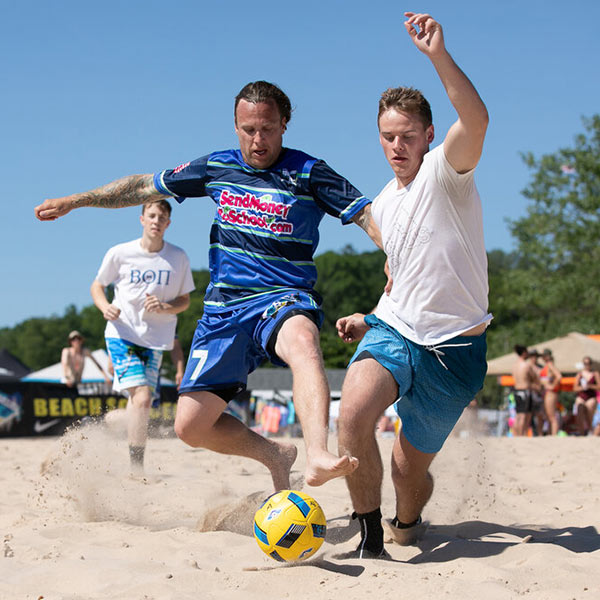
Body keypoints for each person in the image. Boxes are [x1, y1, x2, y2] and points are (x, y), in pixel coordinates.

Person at [35, 80, 381, 490]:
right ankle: (275, 453)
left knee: (304, 342)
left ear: (285, 124)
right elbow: (144, 185)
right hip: (224, 310)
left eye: (268, 128)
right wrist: (78, 200)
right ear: (235, 127)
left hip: (283, 298)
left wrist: (393, 252)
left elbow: (367, 214)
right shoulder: (217, 167)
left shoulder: (308, 171)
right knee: (191, 427)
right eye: (248, 129)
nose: (258, 139)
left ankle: (318, 453)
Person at [335, 12, 491, 558]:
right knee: (351, 414)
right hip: (397, 331)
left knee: (407, 471)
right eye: (387, 137)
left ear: (427, 135)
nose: (396, 146)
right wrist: (370, 315)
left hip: (455, 351)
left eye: (406, 136)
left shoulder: (446, 174)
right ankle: (370, 531)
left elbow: (475, 119)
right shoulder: (384, 203)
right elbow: (400, 274)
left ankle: (406, 521)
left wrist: (437, 56)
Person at [90, 200, 195, 472]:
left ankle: (103, 425)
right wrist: (105, 307)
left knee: (138, 406)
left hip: (156, 340)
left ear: (168, 224)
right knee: (144, 398)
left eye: (162, 217)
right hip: (122, 333)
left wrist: (165, 307)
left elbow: (184, 301)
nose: (156, 221)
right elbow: (97, 286)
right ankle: (136, 469)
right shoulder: (120, 253)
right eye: (151, 216)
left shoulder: (178, 257)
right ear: (141, 219)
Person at [511, 345, 539, 436]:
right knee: (523, 415)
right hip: (525, 391)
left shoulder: (514, 365)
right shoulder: (526, 365)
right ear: (524, 353)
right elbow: (534, 377)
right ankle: (521, 435)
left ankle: (516, 435)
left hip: (516, 390)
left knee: (518, 415)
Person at [572, 356, 600, 435]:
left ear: (591, 364)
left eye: (588, 363)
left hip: (591, 396)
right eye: (585, 363)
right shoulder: (580, 374)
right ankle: (581, 433)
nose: (587, 365)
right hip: (581, 396)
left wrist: (590, 386)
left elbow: (599, 386)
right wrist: (582, 387)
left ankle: (590, 430)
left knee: (589, 412)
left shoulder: (595, 373)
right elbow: (574, 388)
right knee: (579, 411)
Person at [539, 348, 561, 435]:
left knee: (552, 416)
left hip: (550, 392)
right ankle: (550, 434)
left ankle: (554, 435)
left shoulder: (550, 365)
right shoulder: (547, 365)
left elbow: (559, 376)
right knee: (548, 416)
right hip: (547, 392)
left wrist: (552, 386)